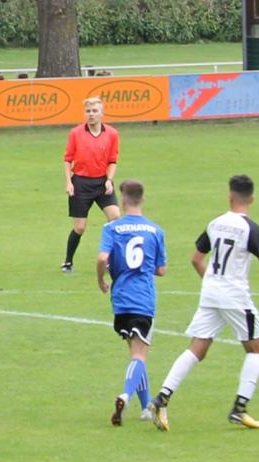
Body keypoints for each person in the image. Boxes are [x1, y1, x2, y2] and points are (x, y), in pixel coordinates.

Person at [149, 175, 259, 432]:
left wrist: (212, 283)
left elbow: (196, 259)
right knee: (255, 349)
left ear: (230, 196)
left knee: (197, 348)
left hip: (210, 294)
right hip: (235, 296)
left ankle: (161, 398)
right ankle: (239, 409)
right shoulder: (251, 229)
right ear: (252, 199)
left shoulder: (215, 223)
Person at [96, 180, 166, 426]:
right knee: (139, 354)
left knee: (135, 352)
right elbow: (161, 269)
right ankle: (125, 395)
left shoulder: (112, 228)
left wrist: (101, 279)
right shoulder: (155, 230)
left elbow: (102, 258)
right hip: (142, 298)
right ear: (142, 199)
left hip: (121, 299)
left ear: (123, 201)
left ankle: (146, 408)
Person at [62, 97, 121, 273]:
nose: (91, 114)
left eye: (95, 111)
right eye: (88, 111)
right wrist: (69, 182)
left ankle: (110, 259)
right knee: (80, 227)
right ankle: (68, 262)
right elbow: (67, 159)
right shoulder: (76, 133)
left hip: (102, 183)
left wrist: (109, 180)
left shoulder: (112, 134)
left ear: (102, 113)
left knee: (115, 218)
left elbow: (113, 161)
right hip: (81, 183)